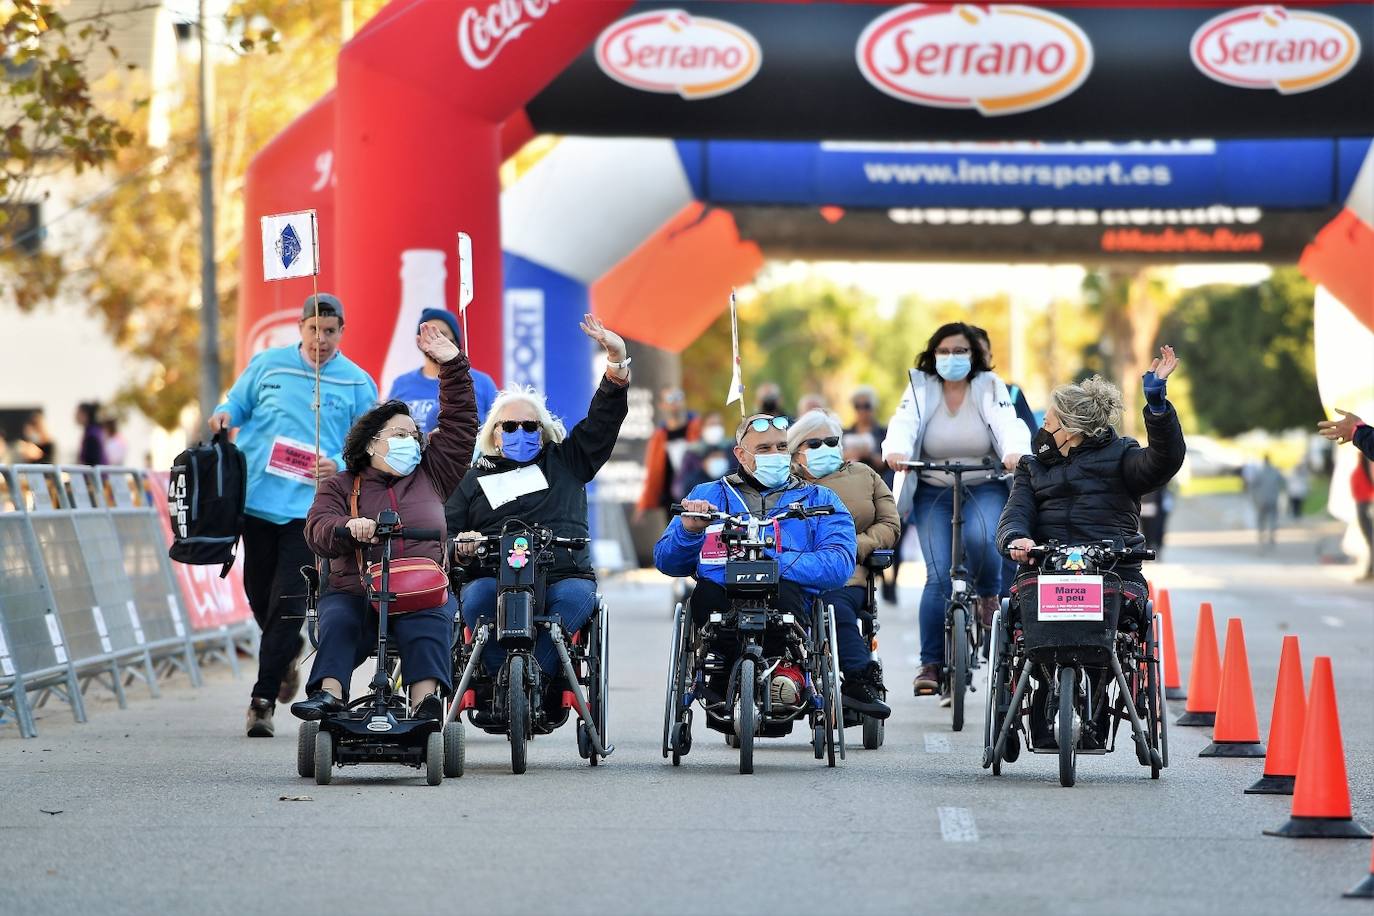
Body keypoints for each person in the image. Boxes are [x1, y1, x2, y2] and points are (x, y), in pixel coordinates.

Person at [209, 293, 379, 737]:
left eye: (330, 331)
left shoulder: (358, 383)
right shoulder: (269, 365)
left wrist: (340, 467)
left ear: (342, 332)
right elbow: (236, 404)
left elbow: (371, 449)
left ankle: (261, 702)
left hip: (311, 513)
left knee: (287, 604)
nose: (320, 338)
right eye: (313, 329)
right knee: (258, 594)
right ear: (300, 329)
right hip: (258, 503)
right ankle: (284, 656)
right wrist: (223, 415)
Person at [999, 348, 1185, 749]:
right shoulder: (1031, 468)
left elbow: (1163, 461)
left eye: (1047, 421)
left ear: (1070, 429)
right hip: (1045, 569)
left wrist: (1157, 406)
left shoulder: (1122, 456)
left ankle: (1101, 711)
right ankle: (1030, 707)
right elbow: (1014, 516)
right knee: (1017, 619)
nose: (1042, 429)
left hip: (1114, 570)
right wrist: (1017, 540)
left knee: (1118, 634)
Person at [291, 323, 477, 721]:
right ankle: (329, 695)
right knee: (339, 620)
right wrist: (347, 528)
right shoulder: (341, 485)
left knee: (428, 623)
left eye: (415, 435)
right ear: (373, 442)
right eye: (399, 434)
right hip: (356, 588)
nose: (411, 441)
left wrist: (453, 367)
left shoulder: (432, 473)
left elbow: (461, 427)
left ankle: (426, 705)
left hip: (421, 589)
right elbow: (318, 530)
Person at [448, 315, 630, 697]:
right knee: (477, 599)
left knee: (573, 604)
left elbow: (602, 422)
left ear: (543, 431)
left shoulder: (568, 461)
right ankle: (502, 681)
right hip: (492, 578)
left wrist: (616, 362)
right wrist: (459, 549)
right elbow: (446, 533)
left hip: (564, 575)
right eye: (509, 427)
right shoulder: (473, 477)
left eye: (529, 427)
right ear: (494, 434)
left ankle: (536, 677)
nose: (519, 433)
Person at [654, 413, 856, 707]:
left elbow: (839, 563)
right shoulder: (708, 495)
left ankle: (786, 674)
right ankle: (725, 669)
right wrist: (689, 532)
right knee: (702, 595)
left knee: (787, 593)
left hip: (787, 598)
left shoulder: (819, 499)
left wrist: (774, 559)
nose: (775, 455)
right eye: (763, 449)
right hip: (722, 596)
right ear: (741, 454)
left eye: (780, 447)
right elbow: (666, 561)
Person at [882, 322, 1030, 697]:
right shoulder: (919, 386)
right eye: (944, 351)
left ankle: (987, 595)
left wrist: (1014, 452)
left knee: (983, 537)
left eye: (960, 351)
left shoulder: (990, 386)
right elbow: (903, 423)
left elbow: (1008, 423)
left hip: (984, 483)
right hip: (932, 488)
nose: (951, 358)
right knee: (937, 578)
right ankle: (930, 663)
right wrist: (895, 450)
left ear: (973, 355)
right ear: (933, 354)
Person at [787, 409, 897, 718]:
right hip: (793, 576)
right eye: (814, 443)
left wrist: (854, 547)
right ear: (796, 452)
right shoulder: (783, 484)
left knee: (834, 609)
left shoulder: (864, 475)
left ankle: (859, 682)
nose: (825, 448)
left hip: (847, 576)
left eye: (831, 441)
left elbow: (890, 523)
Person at [386, 308, 498, 432]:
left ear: (455, 342)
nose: (436, 340)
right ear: (419, 341)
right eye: (429, 334)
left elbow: (496, 430)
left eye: (442, 335)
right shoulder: (401, 384)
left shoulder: (482, 383)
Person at [634, 387, 702, 523]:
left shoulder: (700, 428)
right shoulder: (659, 437)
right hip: (673, 503)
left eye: (678, 396)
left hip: (701, 498)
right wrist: (644, 505)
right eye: (670, 398)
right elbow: (653, 473)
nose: (676, 402)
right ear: (662, 405)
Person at [1250, 456, 1284, 550]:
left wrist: (1255, 497)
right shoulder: (1275, 471)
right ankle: (1271, 535)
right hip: (1273, 498)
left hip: (1262, 499)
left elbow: (1253, 485)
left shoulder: (1259, 472)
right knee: (1273, 517)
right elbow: (1283, 482)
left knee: (1261, 518)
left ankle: (1261, 535)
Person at [1351, 454, 1374, 581]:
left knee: (1371, 537)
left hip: (1368, 496)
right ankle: (1371, 569)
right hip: (1363, 495)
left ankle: (1371, 569)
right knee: (1370, 537)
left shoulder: (1368, 440)